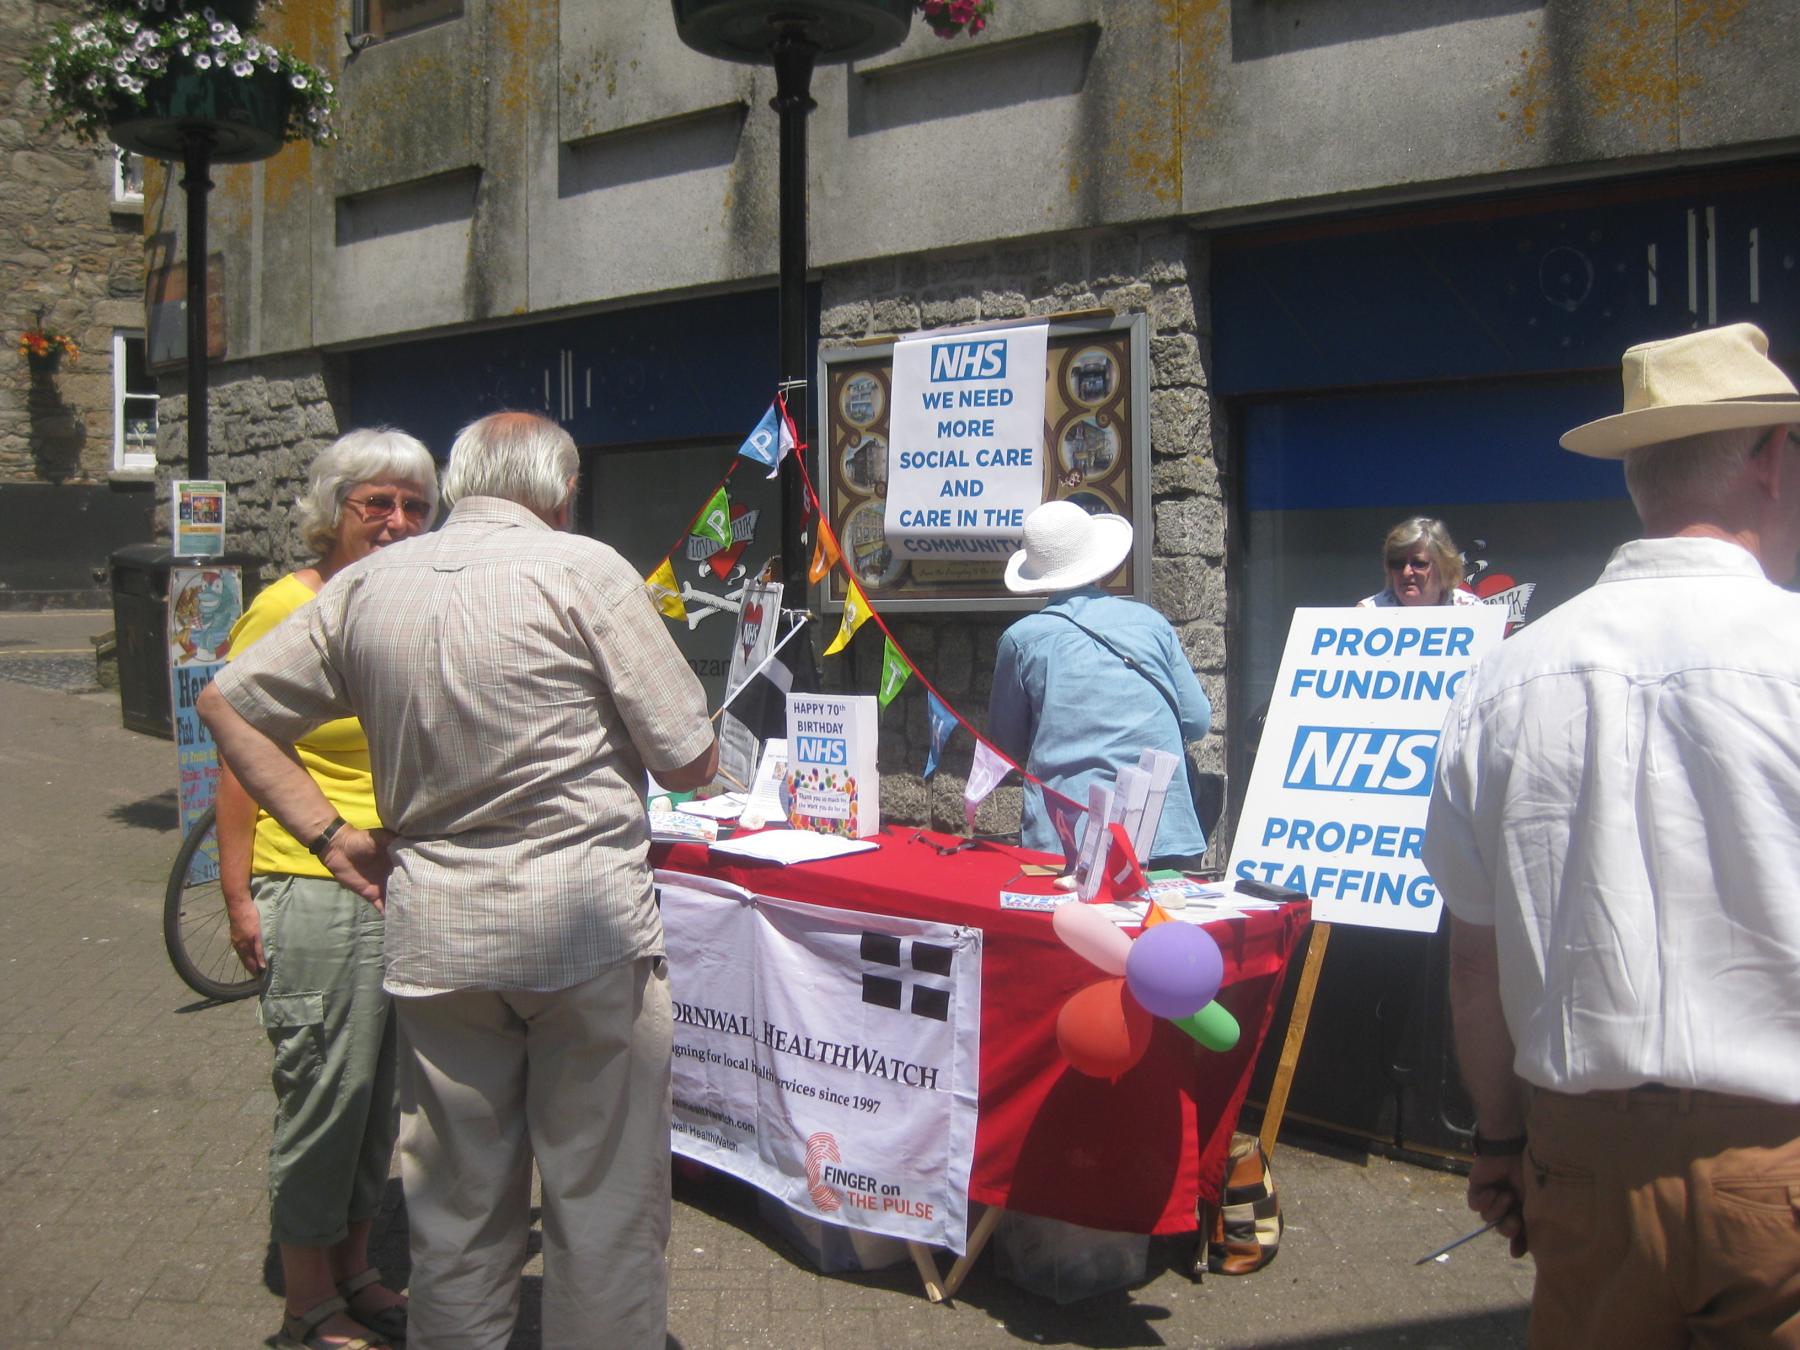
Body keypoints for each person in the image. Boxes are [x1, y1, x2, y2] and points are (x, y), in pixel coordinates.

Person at [199, 411, 718, 1350]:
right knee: (600, 1199)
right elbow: (689, 762)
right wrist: (329, 833)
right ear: (561, 492)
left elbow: (226, 702)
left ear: (460, 482)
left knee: (455, 1204)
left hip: (439, 934)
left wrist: (329, 837)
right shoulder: (586, 568)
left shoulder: (370, 586)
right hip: (585, 935)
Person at [1423, 322, 1800, 1348]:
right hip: (1783, 1162)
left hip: (1581, 1156)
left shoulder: (1502, 681)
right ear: (1769, 461)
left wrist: (1499, 1139)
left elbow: (1475, 962)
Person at [219, 428, 438, 1350]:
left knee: (376, 1095)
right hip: (312, 878)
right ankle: (306, 1298)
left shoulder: (400, 602)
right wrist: (237, 895)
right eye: (375, 504)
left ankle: (357, 1267)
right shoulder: (286, 606)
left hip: (394, 885)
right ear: (332, 513)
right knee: (324, 1091)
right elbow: (238, 754)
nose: (397, 522)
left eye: (415, 506)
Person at [988, 499, 1212, 868]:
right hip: (1162, 830)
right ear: (1098, 564)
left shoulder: (1022, 640)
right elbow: (1197, 722)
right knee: (1161, 926)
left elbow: (1005, 746)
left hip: (1068, 840)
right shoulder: (1151, 624)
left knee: (1071, 927)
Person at [1356, 516, 1483, 607]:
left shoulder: (1471, 610)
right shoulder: (1369, 613)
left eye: (1419, 564)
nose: (1406, 572)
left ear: (1444, 567)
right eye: (1397, 564)